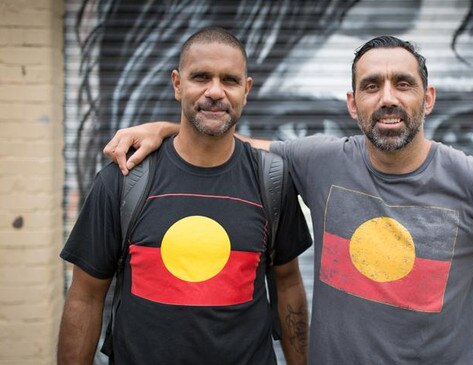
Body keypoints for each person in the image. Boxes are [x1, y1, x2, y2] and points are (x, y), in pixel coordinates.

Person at [104, 35, 473, 364]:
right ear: (352, 103)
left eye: (403, 84)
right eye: (371, 86)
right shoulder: (320, 160)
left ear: (427, 99)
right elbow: (232, 144)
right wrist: (167, 128)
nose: (387, 98)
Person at [58, 26, 312, 365]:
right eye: (201, 77)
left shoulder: (272, 181)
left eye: (230, 80)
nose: (215, 91)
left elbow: (288, 284)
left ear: (246, 90)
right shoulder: (124, 181)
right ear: (178, 84)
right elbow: (85, 297)